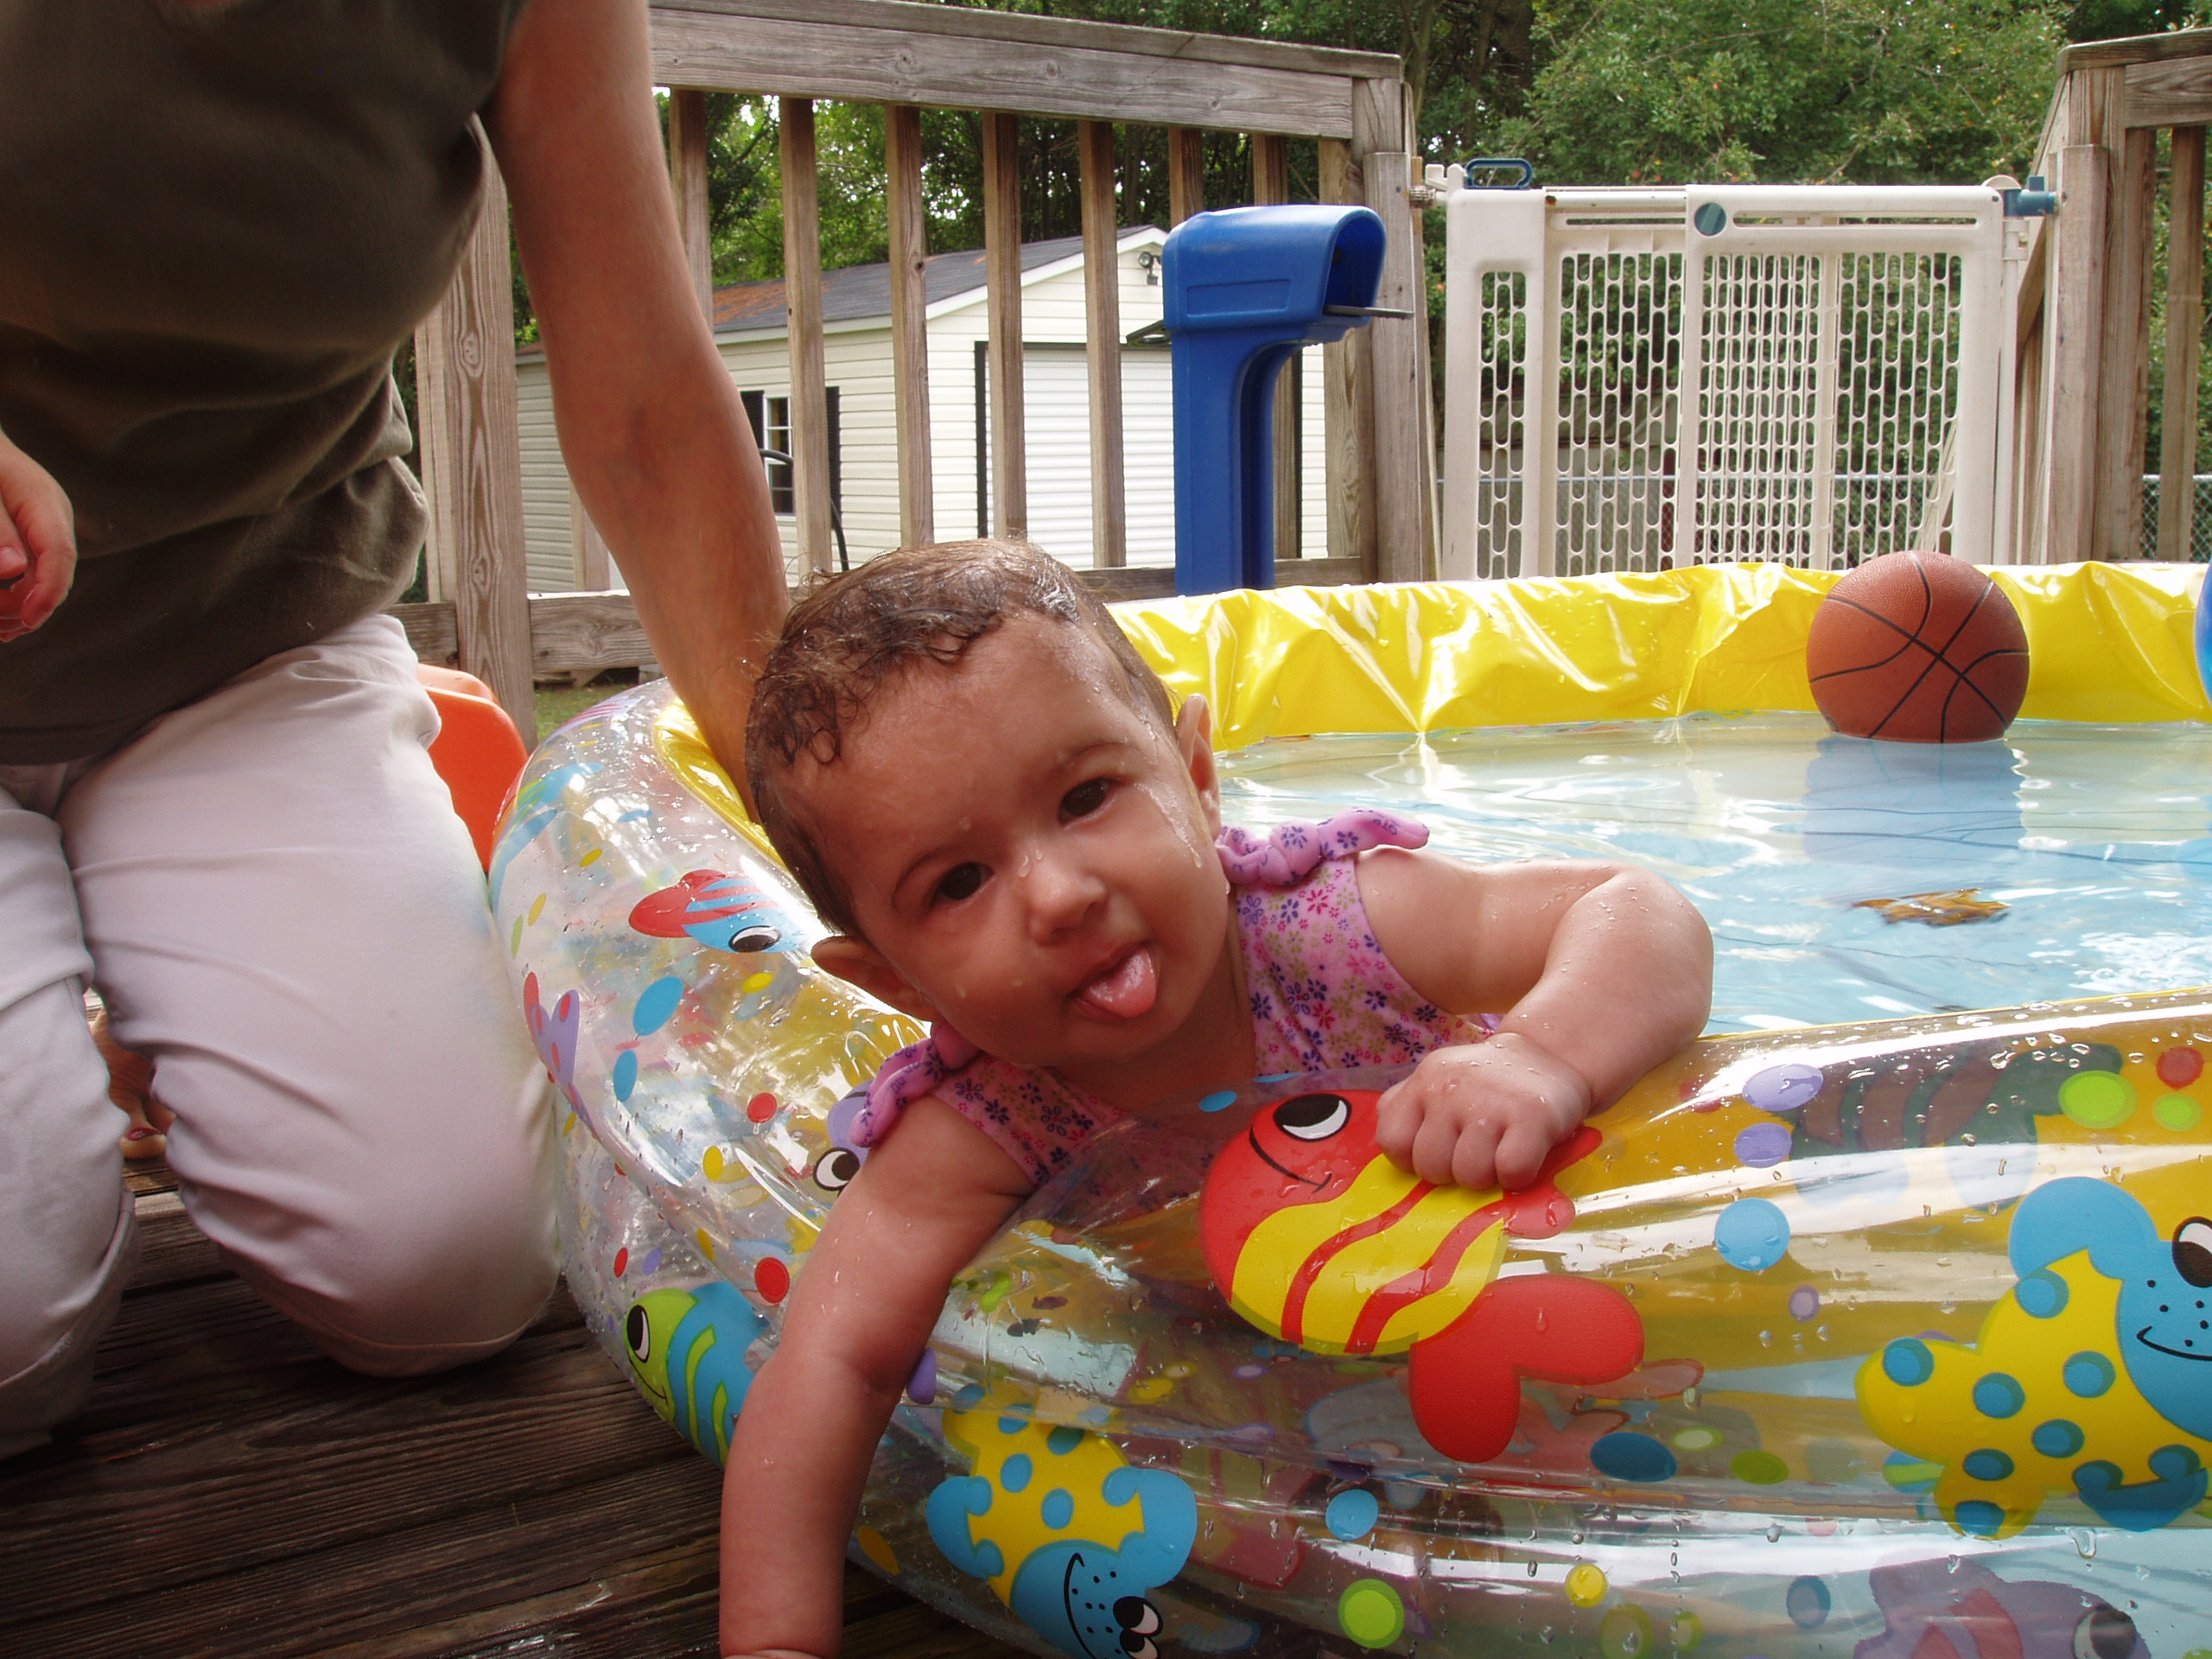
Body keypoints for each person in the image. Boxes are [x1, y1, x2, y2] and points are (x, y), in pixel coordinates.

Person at [0, 0, 786, 1459]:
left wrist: (817, 824)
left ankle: (139, 1020)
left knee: (455, 1270)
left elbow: (646, 414)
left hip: (250, 634)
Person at [721, 541, 1713, 1657]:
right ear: (895, 982)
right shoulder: (992, 1120)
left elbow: (1637, 910)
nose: (1059, 894)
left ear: (1196, 778)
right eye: (959, 883)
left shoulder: (1338, 935)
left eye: (1087, 797)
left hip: (1506, 1311)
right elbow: (832, 1363)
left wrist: (1540, 1055)